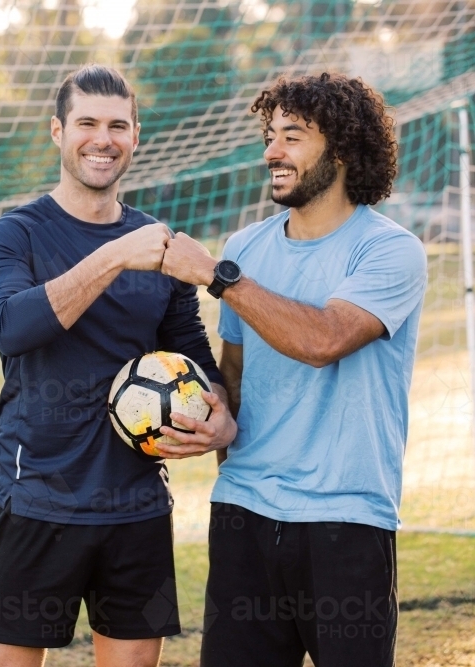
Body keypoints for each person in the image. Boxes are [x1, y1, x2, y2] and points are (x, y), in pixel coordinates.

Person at [159, 72, 428, 667]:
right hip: (244, 516)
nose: (272, 152)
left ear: (344, 149)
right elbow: (234, 376)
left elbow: (324, 339)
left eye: (294, 136)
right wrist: (220, 436)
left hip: (346, 522)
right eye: (270, 134)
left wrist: (218, 277)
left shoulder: (389, 250)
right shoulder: (247, 246)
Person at [0, 64, 237, 667]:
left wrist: (220, 412)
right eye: (87, 123)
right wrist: (114, 256)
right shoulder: (13, 236)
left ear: (136, 136)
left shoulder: (158, 242)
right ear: (58, 131)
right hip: (37, 499)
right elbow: (11, 326)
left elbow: (190, 349)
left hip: (136, 506)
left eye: (118, 125)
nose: (103, 138)